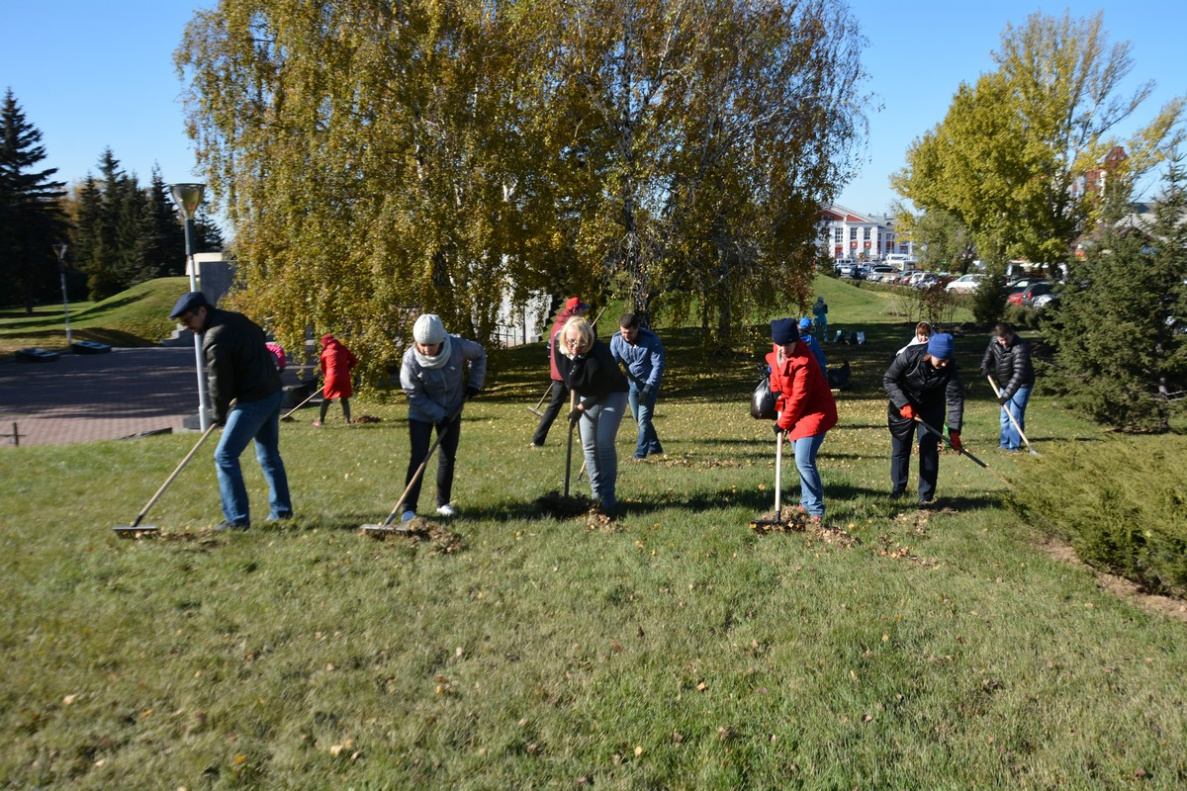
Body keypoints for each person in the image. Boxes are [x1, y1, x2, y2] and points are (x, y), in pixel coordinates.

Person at [170, 291, 292, 530]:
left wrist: (219, 415)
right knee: (268, 455)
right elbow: (260, 334)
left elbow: (219, 382)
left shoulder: (215, 338)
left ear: (202, 310)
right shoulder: (237, 318)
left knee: (224, 456)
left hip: (255, 399)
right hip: (273, 392)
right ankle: (282, 510)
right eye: (182, 323)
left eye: (188, 320)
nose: (187, 327)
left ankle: (237, 519)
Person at [399, 313, 486, 521]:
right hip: (421, 413)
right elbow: (413, 394)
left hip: (452, 409)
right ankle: (409, 509)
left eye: (432, 344)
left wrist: (475, 384)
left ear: (442, 340)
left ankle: (443, 503)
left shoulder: (456, 347)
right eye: (423, 345)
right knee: (418, 457)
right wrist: (439, 415)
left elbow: (480, 354)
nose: (428, 349)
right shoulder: (410, 359)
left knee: (447, 457)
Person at [554, 315, 629, 514]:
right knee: (588, 443)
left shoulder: (598, 353)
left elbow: (603, 387)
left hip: (613, 392)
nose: (576, 346)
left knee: (603, 442)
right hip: (588, 393)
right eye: (571, 341)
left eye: (581, 342)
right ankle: (597, 496)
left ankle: (609, 498)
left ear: (589, 340)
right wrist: (577, 394)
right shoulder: (559, 347)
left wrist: (580, 408)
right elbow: (569, 378)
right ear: (564, 338)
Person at [766, 318, 838, 522]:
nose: (783, 349)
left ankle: (815, 510)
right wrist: (775, 394)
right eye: (779, 345)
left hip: (815, 413)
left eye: (788, 345)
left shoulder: (805, 362)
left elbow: (798, 398)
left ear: (796, 341)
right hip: (795, 413)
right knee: (801, 460)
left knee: (804, 461)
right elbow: (778, 377)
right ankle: (805, 503)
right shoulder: (779, 350)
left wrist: (782, 423)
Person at [883, 332, 964, 507]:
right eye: (940, 359)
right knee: (901, 447)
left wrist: (955, 431)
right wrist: (903, 404)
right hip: (902, 406)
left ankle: (926, 497)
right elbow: (889, 379)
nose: (943, 364)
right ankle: (898, 489)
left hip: (931, 409)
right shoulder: (909, 355)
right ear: (930, 353)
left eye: (947, 360)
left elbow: (955, 398)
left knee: (929, 449)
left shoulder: (950, 368)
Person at [530, 297, 588, 447]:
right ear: (575, 310)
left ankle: (537, 439)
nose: (584, 312)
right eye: (582, 309)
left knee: (554, 407)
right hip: (570, 373)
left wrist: (554, 365)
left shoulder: (557, 324)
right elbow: (572, 352)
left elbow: (549, 348)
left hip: (558, 373)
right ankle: (586, 440)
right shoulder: (570, 328)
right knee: (581, 406)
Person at [609, 312, 665, 460]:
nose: (626, 336)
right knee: (637, 417)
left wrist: (648, 387)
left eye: (629, 333)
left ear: (637, 328)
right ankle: (656, 447)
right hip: (632, 384)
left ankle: (640, 454)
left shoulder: (651, 340)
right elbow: (613, 363)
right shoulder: (616, 340)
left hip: (649, 384)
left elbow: (658, 366)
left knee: (643, 419)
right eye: (623, 332)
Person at [980, 322, 1034, 452]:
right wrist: (985, 366)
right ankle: (1004, 443)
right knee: (1004, 416)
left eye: (1006, 339)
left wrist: (1005, 395)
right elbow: (989, 354)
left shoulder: (1020, 348)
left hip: (1021, 384)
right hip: (1004, 383)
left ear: (1012, 334)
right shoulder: (994, 341)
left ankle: (1014, 445)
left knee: (1014, 416)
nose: (1003, 342)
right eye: (1001, 340)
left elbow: (1018, 375)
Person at [312, 334, 359, 426]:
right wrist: (346, 369)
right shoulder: (343, 349)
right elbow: (354, 361)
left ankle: (321, 421)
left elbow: (324, 368)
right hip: (344, 377)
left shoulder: (325, 351)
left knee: (326, 399)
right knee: (344, 399)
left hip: (331, 377)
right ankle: (347, 420)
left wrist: (327, 378)